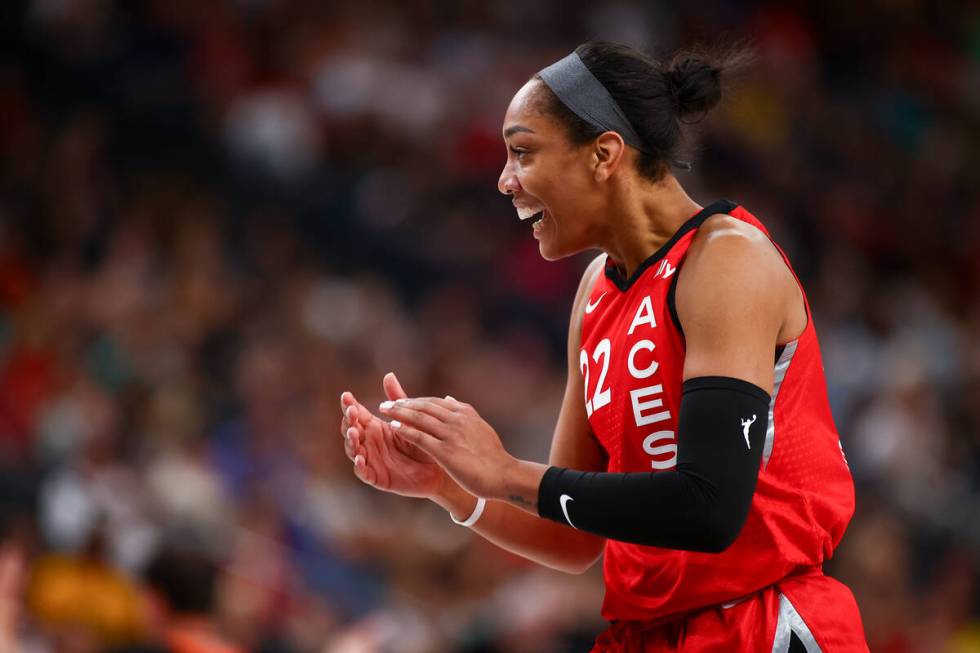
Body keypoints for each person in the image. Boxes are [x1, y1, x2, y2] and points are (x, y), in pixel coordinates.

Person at [340, 41, 868, 651]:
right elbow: (574, 539)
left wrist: (506, 473)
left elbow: (710, 507)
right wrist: (452, 485)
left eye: (523, 151)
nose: (504, 179)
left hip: (757, 623)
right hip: (645, 634)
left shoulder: (726, 260)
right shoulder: (594, 292)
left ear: (603, 154)